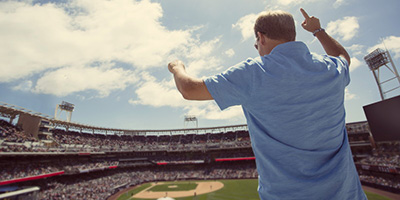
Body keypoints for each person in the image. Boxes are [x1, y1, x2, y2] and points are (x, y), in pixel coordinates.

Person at [168, 8, 367, 200]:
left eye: (256, 45)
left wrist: (177, 67)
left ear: (261, 37)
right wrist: (318, 30)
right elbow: (343, 58)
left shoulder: (255, 73)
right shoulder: (330, 69)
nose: (258, 50)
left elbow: (189, 89)